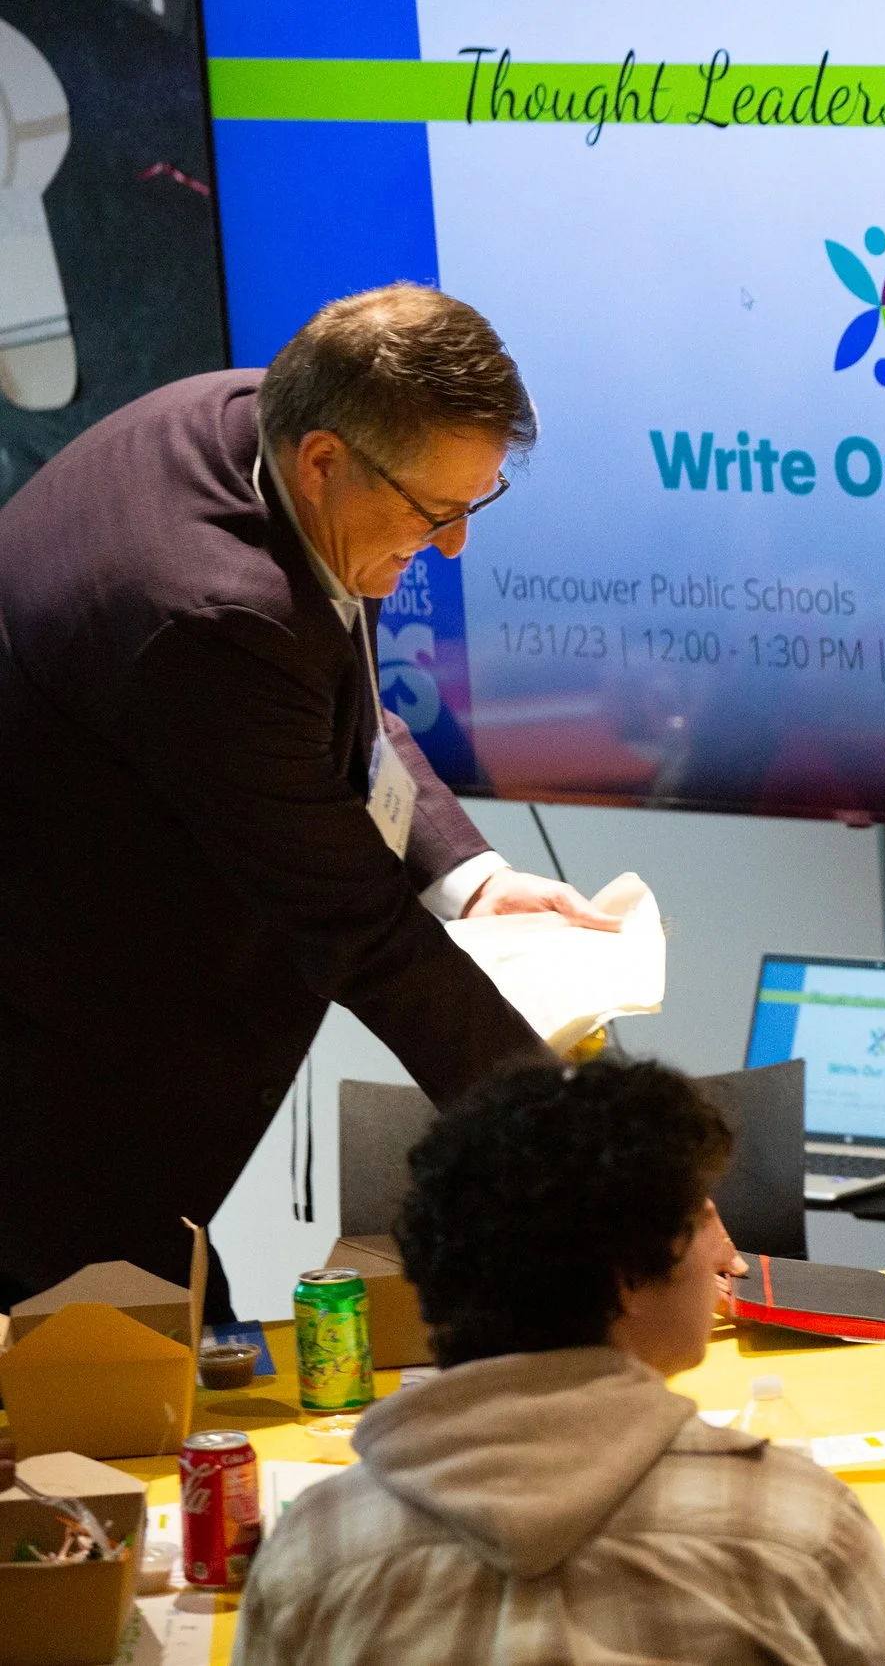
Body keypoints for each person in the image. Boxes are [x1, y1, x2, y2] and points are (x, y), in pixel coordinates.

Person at [0, 283, 615, 1313]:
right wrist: (603, 1177)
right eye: (436, 513)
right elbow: (366, 939)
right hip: (53, 1102)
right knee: (143, 1433)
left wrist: (471, 877)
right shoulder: (210, 614)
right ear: (325, 459)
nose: (455, 545)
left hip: (93, 1050)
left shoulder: (261, 421)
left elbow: (345, 704)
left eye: (477, 504)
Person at [238, 1058, 885, 1666]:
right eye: (702, 1221)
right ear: (628, 1273)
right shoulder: (796, 1527)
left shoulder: (311, 1555)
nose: (723, 1252)